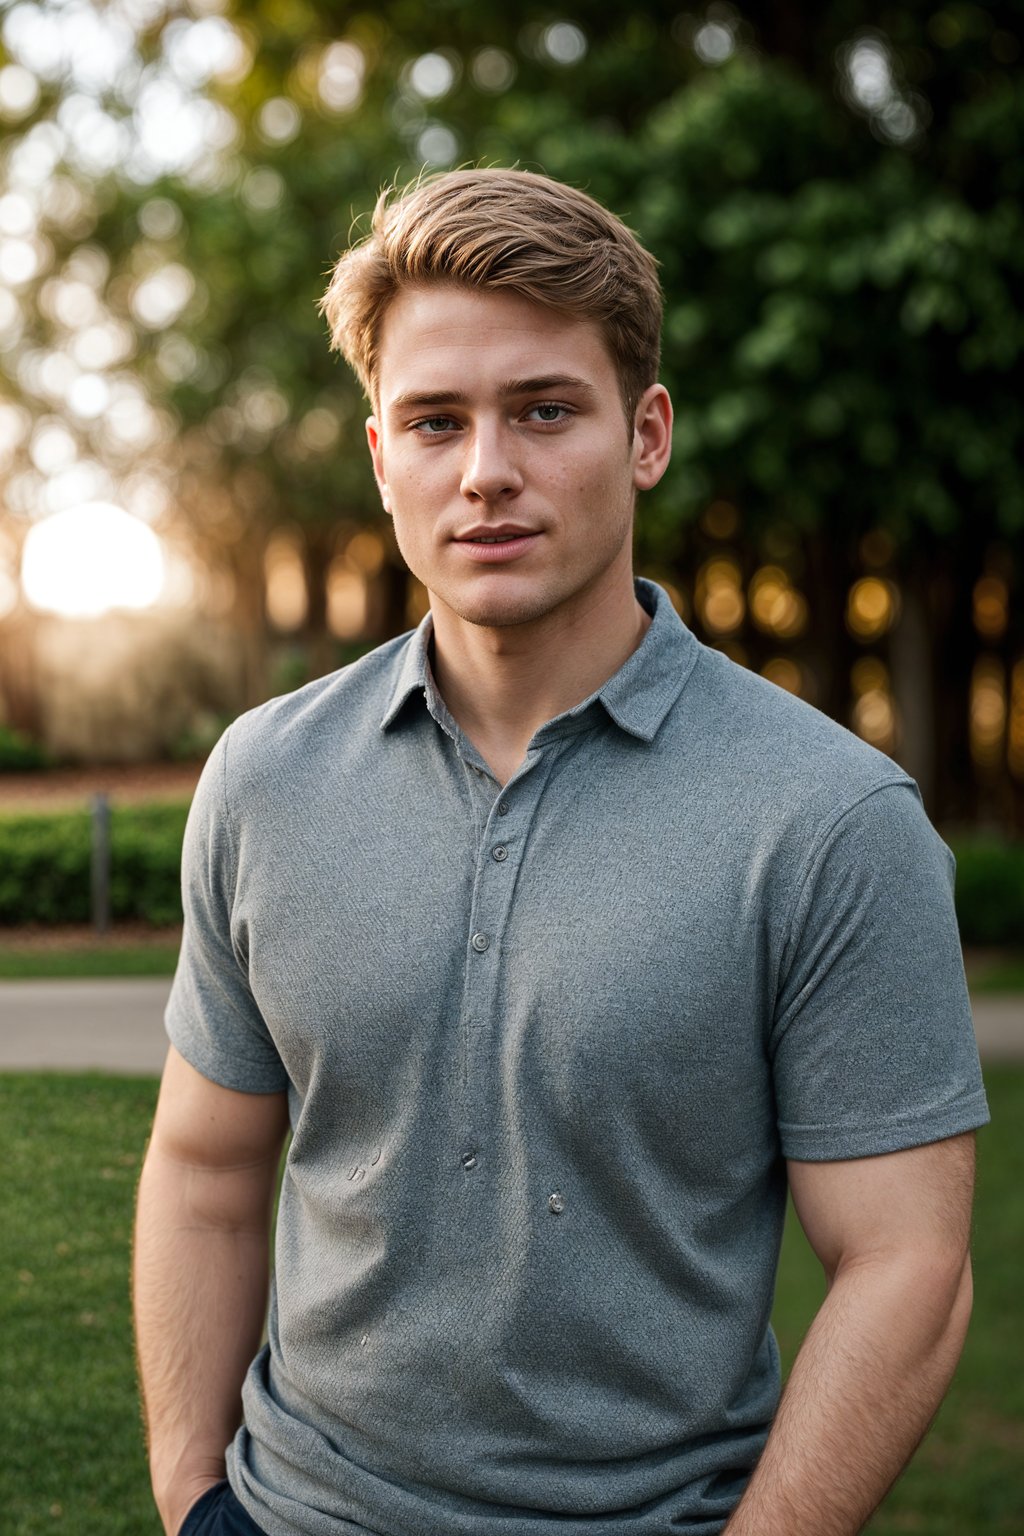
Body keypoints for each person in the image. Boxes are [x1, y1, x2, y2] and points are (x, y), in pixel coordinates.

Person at [134, 168, 989, 1536]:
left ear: (645, 434)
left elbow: (907, 1265)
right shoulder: (265, 778)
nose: (486, 471)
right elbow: (205, 1170)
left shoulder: (831, 819)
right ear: (381, 456)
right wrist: (193, 1501)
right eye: (435, 421)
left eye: (544, 409)